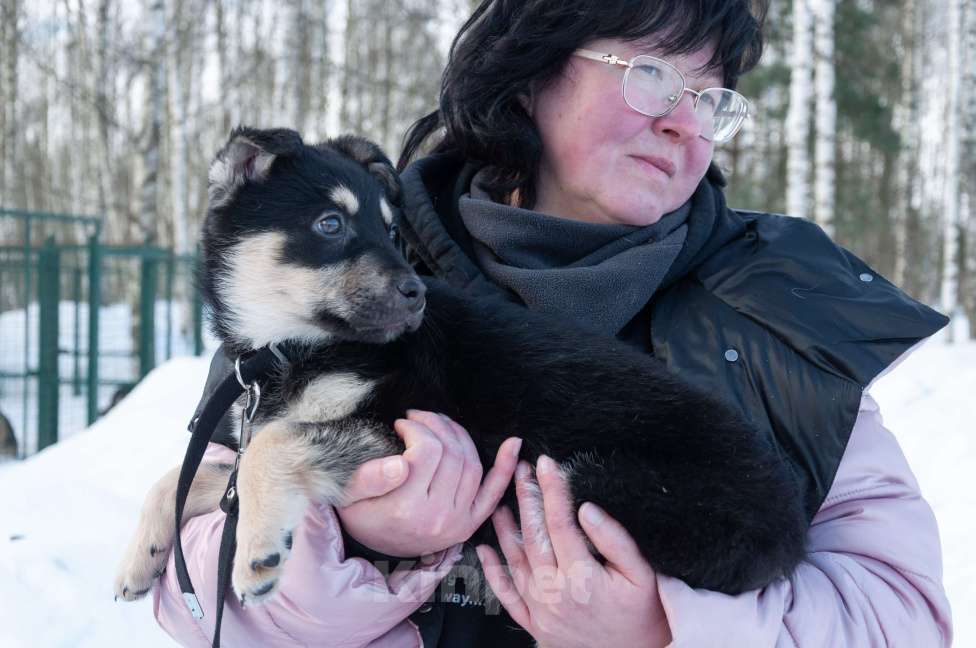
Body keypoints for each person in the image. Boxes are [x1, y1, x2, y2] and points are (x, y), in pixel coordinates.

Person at [153, 1, 954, 646]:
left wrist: (667, 630)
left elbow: (903, 619)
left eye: (711, 99)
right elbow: (194, 604)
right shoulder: (345, 279)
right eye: (649, 74)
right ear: (531, 73)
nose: (686, 123)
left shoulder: (782, 315)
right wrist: (364, 547)